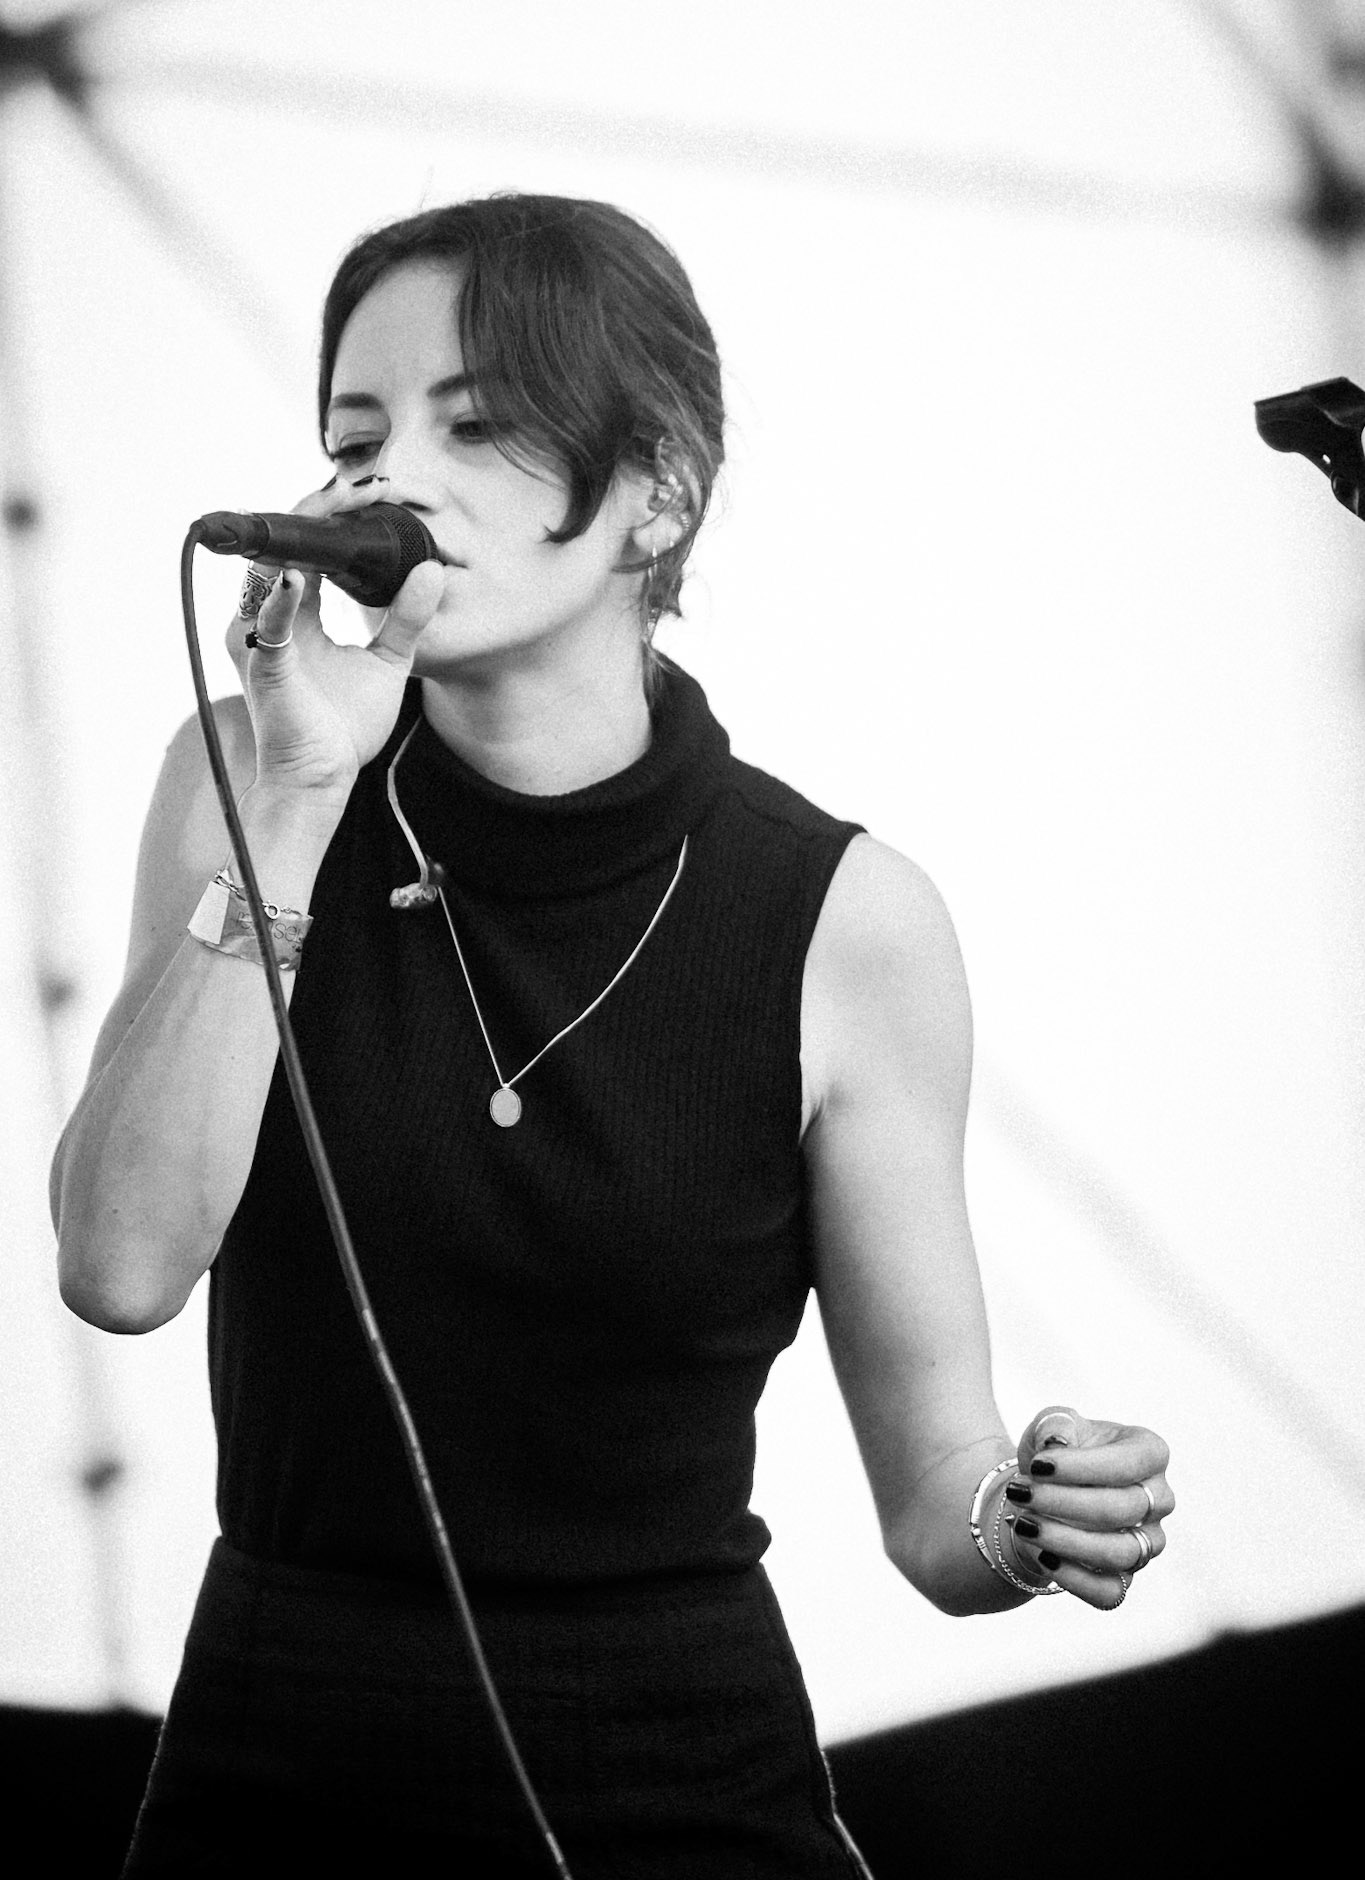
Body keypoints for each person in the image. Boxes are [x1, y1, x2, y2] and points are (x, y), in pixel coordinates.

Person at [51, 194, 1172, 1878]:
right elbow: (120, 1268)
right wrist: (291, 798)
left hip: (674, 1761)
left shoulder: (841, 918)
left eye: (479, 422)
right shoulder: (242, 775)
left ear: (659, 486)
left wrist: (1026, 1509)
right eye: (356, 436)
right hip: (281, 1749)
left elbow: (933, 1495)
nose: (393, 477)